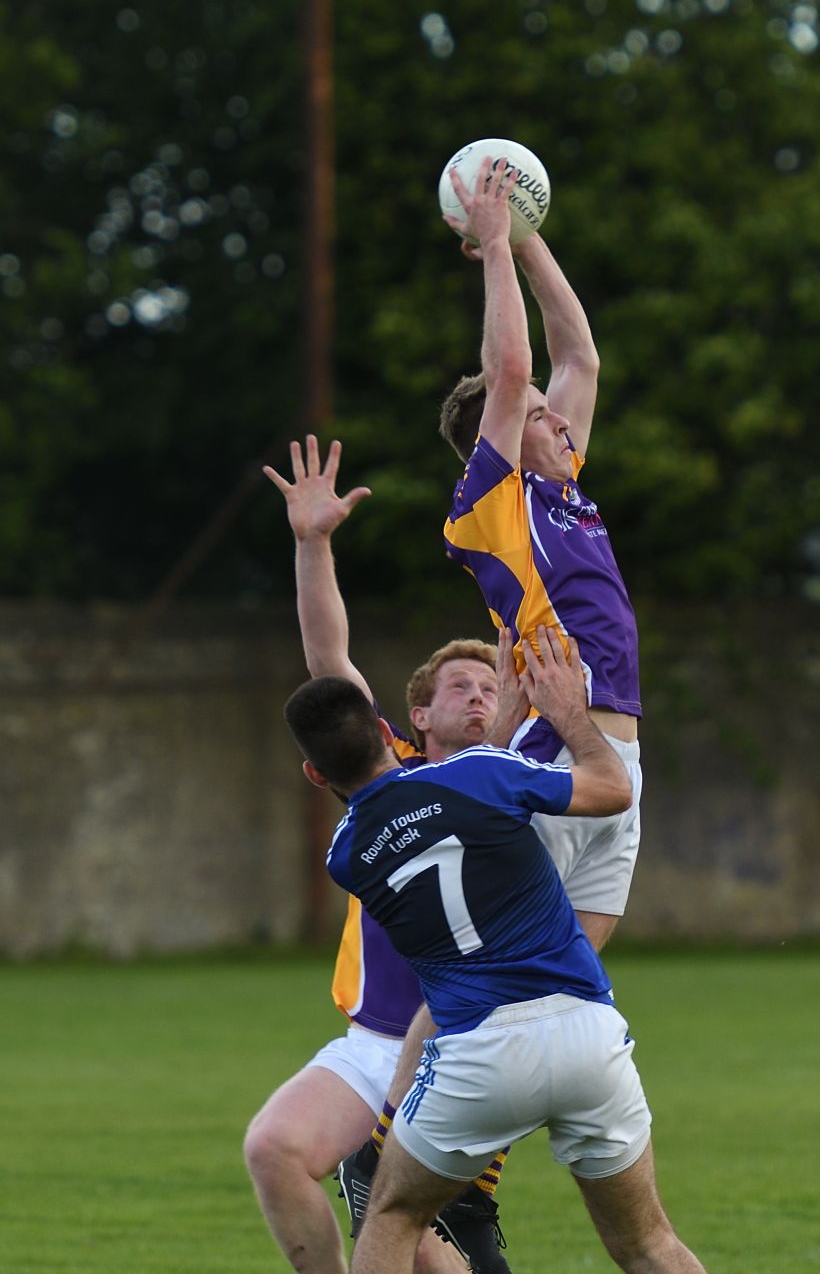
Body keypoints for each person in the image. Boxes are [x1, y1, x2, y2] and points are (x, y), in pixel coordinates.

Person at [282, 628, 708, 1274]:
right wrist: (564, 714)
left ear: (316, 773)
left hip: (479, 1052)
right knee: (648, 1245)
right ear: (386, 732)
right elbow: (612, 790)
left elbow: (429, 812)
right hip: (586, 1034)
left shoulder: (346, 854)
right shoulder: (482, 773)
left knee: (392, 1212)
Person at [246, 435, 518, 1274]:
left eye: (491, 685)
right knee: (276, 1147)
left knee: (415, 1241)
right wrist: (312, 543)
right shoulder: (385, 772)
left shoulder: (515, 782)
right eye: (459, 689)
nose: (479, 696)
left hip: (462, 1042)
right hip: (374, 1039)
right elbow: (328, 661)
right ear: (417, 719)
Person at [440, 156, 643, 953]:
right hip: (562, 745)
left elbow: (578, 358)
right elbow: (516, 367)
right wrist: (492, 247)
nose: (560, 422)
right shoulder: (495, 504)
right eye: (536, 417)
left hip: (621, 753)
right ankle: (407, 1083)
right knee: (496, 968)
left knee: (577, 978)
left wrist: (525, 239)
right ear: (495, 441)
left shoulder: (563, 491)